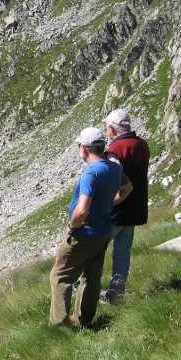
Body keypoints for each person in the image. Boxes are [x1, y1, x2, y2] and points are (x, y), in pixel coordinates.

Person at [50, 127, 133, 327]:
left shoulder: (91, 172)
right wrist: (108, 204)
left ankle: (59, 325)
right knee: (91, 276)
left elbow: (82, 208)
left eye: (79, 146)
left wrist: (73, 226)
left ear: (84, 149)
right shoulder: (113, 167)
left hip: (84, 234)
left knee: (60, 276)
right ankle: (83, 320)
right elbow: (128, 188)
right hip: (103, 231)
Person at [102, 108, 150, 302]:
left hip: (116, 210)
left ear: (112, 129)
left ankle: (86, 292)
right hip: (134, 209)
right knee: (122, 252)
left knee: (94, 249)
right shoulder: (142, 144)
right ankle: (117, 293)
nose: (106, 132)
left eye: (107, 128)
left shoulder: (115, 150)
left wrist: (105, 204)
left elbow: (115, 180)